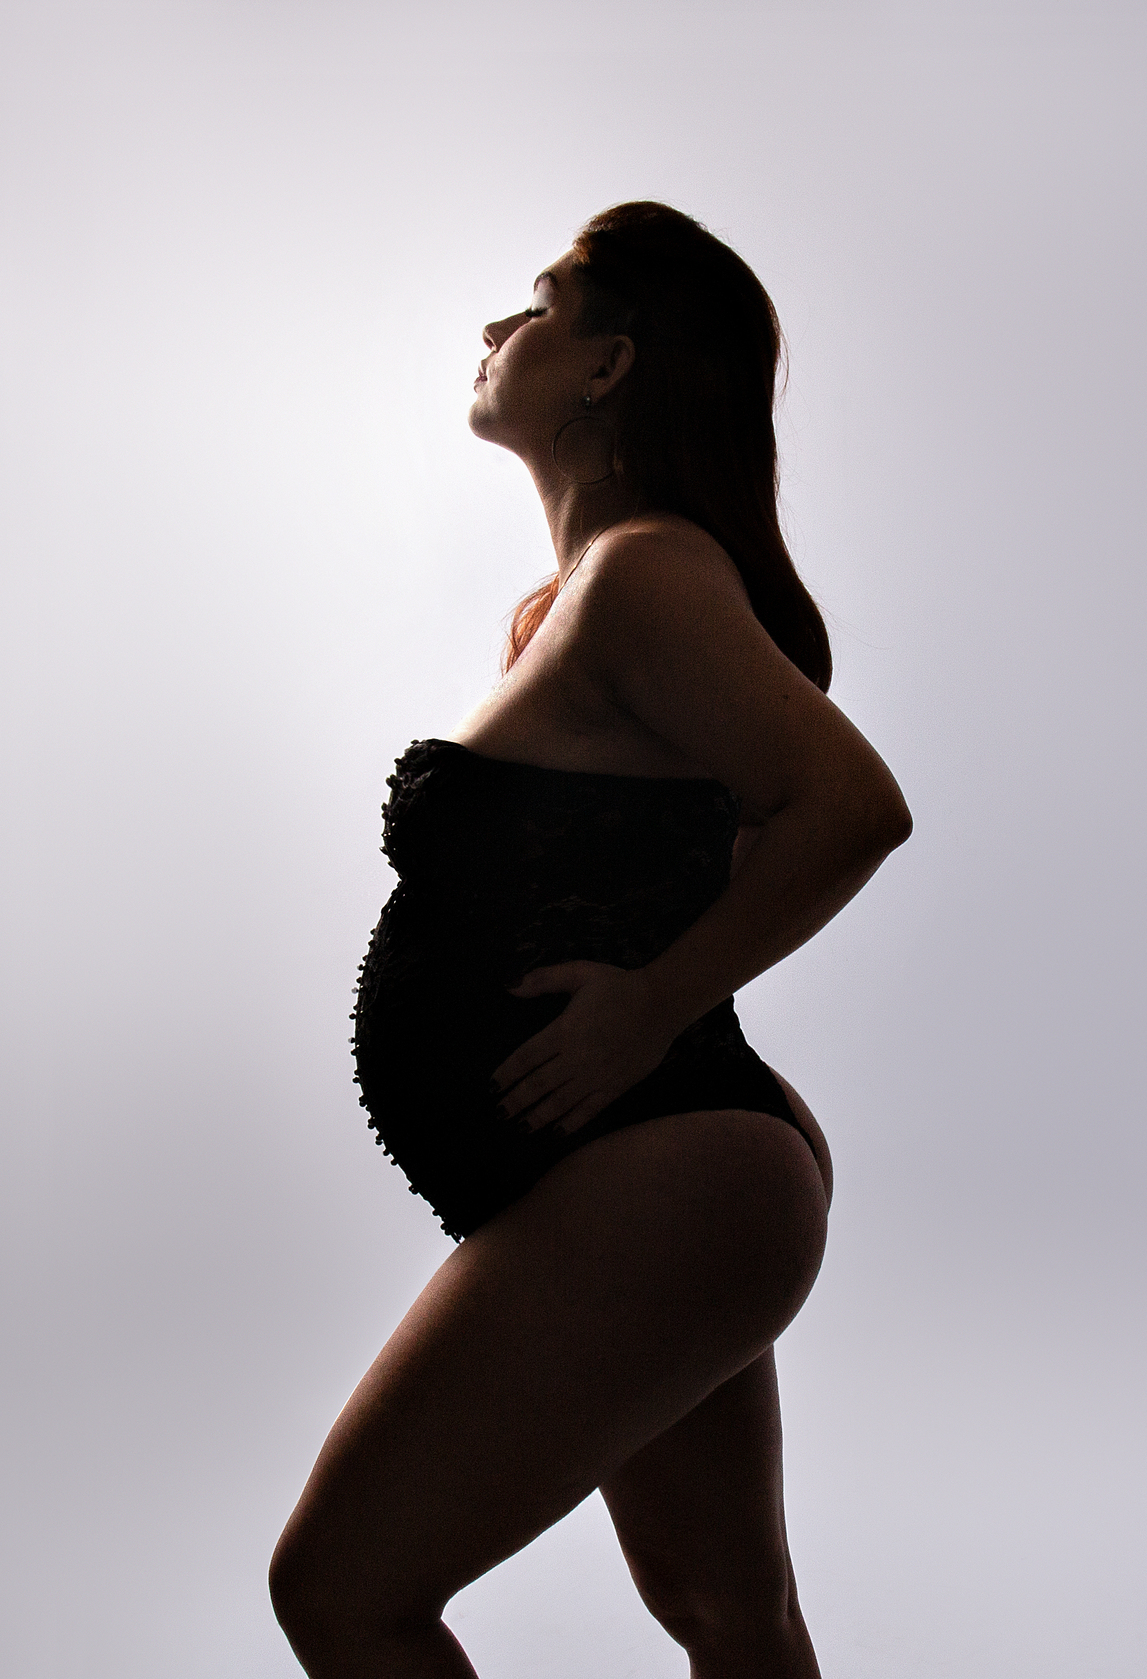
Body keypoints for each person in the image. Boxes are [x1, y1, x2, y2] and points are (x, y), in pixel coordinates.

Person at [269, 201, 912, 1678]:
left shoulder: (647, 575)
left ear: (610, 364)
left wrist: (652, 1003)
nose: (500, 329)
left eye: (541, 304)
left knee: (342, 1593)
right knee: (728, 1615)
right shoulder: (566, 605)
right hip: (657, 1180)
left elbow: (850, 808)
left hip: (666, 1170)